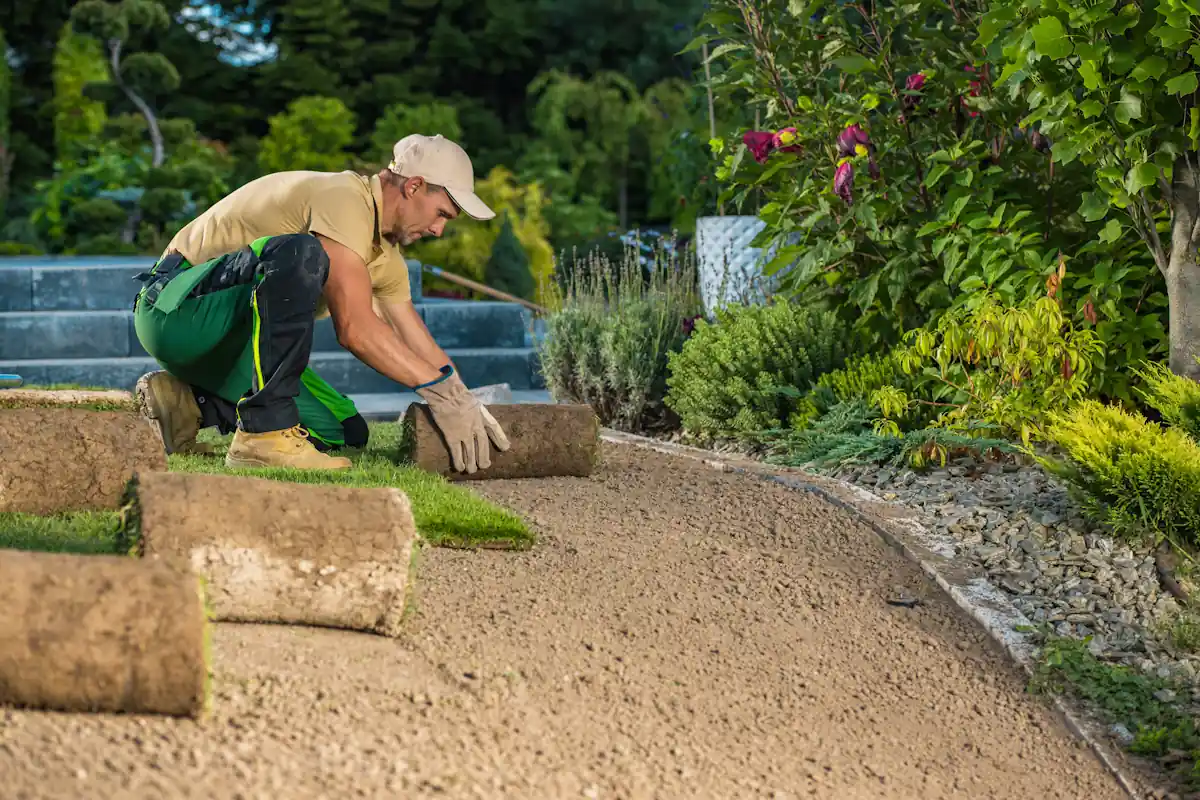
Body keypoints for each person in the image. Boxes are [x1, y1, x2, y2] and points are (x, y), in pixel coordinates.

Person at [131, 133, 510, 473]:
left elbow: (415, 338)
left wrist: (461, 399)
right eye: (442, 213)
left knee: (344, 431)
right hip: (174, 309)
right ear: (414, 186)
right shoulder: (344, 198)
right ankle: (264, 434)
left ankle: (190, 403)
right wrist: (438, 392)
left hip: (233, 343)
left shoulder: (385, 258)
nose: (439, 229)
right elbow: (356, 329)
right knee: (300, 252)